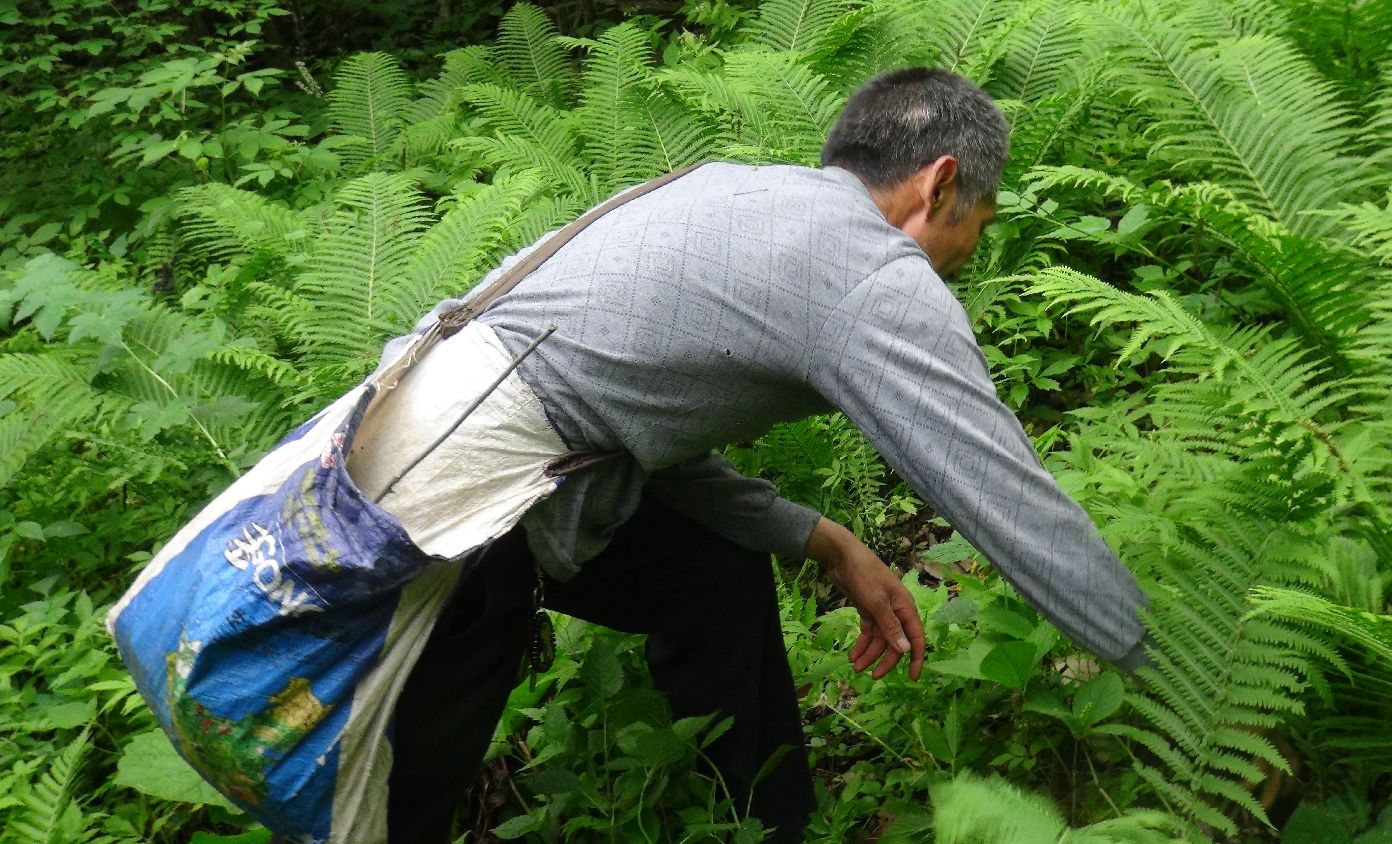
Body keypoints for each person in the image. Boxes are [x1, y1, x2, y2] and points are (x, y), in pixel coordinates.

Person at [383, 67, 1150, 842]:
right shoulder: (869, 267)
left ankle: (764, 827)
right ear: (939, 185)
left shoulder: (734, 194)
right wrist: (1172, 673)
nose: (968, 253)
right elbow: (1005, 496)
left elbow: (635, 428)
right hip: (454, 505)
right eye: (978, 223)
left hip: (419, 432)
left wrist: (825, 541)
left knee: (710, 573)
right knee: (397, 785)